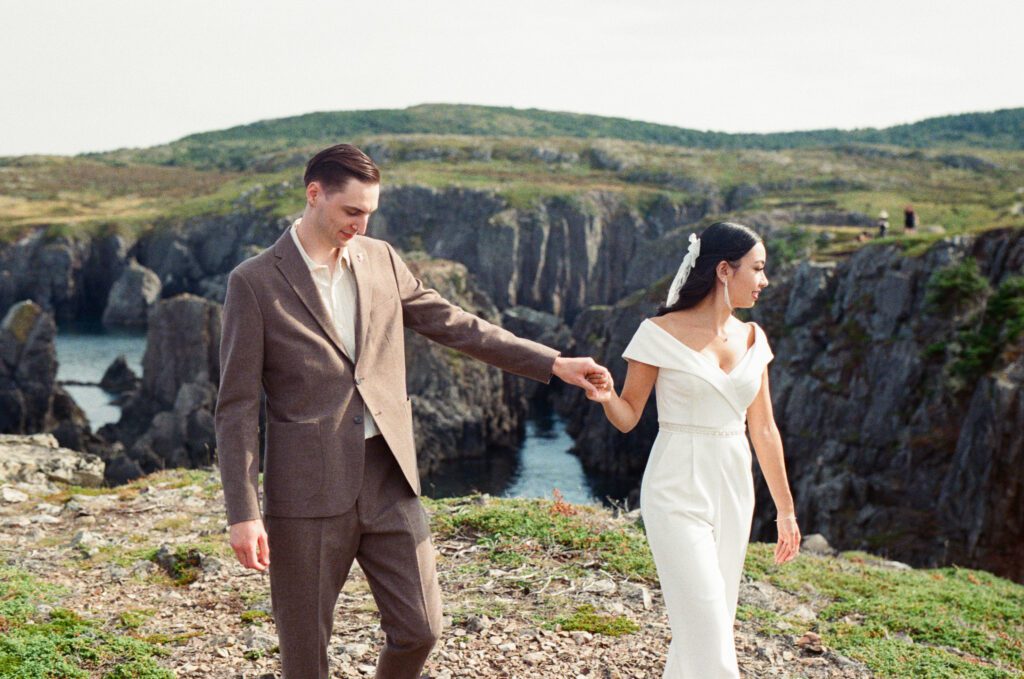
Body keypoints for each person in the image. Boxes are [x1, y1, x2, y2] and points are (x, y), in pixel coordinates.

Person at [215, 143, 609, 679]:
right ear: (314, 195)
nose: (361, 223)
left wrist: (553, 363)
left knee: (421, 628)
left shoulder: (381, 259)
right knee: (305, 656)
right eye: (351, 211)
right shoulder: (254, 281)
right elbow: (236, 408)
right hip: (306, 491)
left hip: (389, 476)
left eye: (369, 213)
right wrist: (243, 511)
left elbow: (458, 325)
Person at [585, 222, 800, 678]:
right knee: (708, 633)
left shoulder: (753, 338)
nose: (764, 281)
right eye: (757, 269)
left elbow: (763, 430)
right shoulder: (656, 333)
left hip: (734, 489)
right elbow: (628, 417)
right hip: (675, 488)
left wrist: (785, 511)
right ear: (724, 270)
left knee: (709, 624)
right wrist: (606, 397)